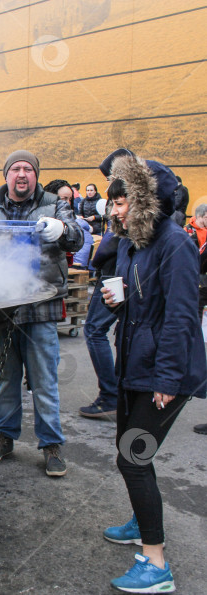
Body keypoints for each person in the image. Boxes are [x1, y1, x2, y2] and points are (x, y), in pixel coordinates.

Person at [99, 150, 205, 594]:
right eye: (112, 203)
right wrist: (119, 300)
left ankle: (156, 563)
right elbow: (141, 296)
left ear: (144, 201)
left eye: (121, 203)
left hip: (166, 371)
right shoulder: (131, 242)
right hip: (135, 364)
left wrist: (166, 378)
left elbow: (181, 316)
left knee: (133, 458)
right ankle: (143, 520)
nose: (113, 211)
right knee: (133, 458)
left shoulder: (175, 242)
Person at [0, 150, 83, 477]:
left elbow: (78, 237)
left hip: (41, 305)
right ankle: (4, 436)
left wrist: (62, 230)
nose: (22, 174)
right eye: (15, 169)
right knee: (6, 377)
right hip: (2, 308)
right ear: (6, 175)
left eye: (28, 169)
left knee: (44, 379)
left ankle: (51, 444)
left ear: (36, 175)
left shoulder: (56, 204)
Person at [80, 202, 120, 419]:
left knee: (95, 331)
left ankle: (110, 396)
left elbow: (112, 244)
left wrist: (99, 259)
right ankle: (118, 394)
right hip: (114, 272)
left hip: (113, 275)